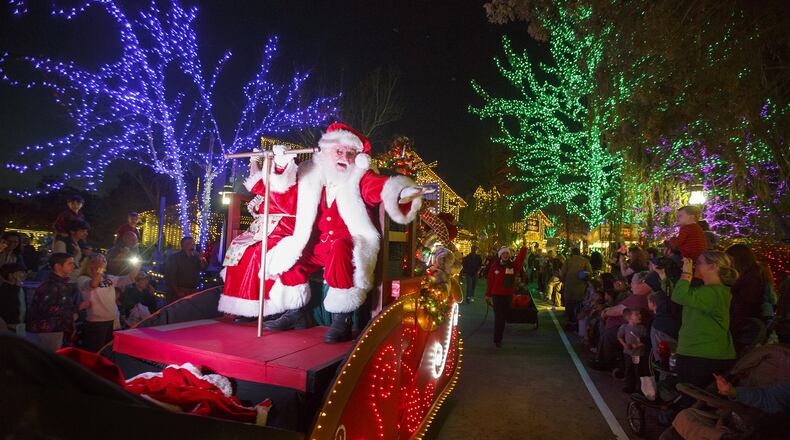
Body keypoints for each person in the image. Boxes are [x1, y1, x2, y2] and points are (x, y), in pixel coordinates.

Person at [260, 123, 426, 343]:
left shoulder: (360, 177)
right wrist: (281, 165)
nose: (345, 158)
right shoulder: (309, 174)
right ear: (327, 151)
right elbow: (284, 194)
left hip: (345, 243)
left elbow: (379, 188)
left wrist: (403, 191)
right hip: (317, 245)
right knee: (290, 254)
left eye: (351, 153)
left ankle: (342, 319)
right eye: (340, 152)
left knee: (340, 249)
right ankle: (296, 313)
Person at [219, 176, 297, 320]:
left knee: (258, 253)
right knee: (239, 248)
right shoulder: (268, 183)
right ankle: (246, 306)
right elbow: (256, 196)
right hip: (262, 228)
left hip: (283, 227)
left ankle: (266, 307)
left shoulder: (294, 185)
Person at [671, 252, 737, 389]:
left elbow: (679, 296)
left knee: (693, 400)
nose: (695, 266)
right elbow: (678, 294)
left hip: (702, 354)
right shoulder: (707, 290)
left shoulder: (714, 292)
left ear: (713, 267)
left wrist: (686, 273)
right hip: (701, 353)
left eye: (699, 263)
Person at [591, 271, 653, 371]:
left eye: (633, 282)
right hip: (625, 325)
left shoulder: (640, 297)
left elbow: (619, 310)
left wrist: (605, 312)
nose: (631, 284)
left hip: (630, 329)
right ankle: (601, 357)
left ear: (642, 283)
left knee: (609, 333)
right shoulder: (639, 295)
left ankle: (606, 362)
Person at [26, 253, 89, 351]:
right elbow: (48, 310)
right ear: (58, 266)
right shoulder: (51, 285)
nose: (74, 266)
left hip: (54, 328)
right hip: (48, 330)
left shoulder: (61, 283)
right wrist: (78, 307)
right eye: (70, 263)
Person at [78, 254, 139, 352]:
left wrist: (137, 266)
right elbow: (93, 284)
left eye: (104, 261)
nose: (103, 263)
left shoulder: (108, 278)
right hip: (96, 323)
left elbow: (128, 279)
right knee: (95, 353)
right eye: (99, 261)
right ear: (90, 264)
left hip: (112, 320)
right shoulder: (83, 279)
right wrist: (101, 269)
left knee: (107, 352)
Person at [725, 243, 770, 351]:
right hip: (746, 322)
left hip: (744, 325)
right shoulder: (754, 274)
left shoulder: (751, 279)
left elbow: (744, 305)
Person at [485, 245, 528, 348]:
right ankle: (497, 339)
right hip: (497, 295)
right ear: (500, 255)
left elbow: (520, 259)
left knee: (503, 317)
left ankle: (499, 337)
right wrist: (487, 295)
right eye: (503, 253)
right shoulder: (495, 266)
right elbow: (490, 281)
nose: (505, 255)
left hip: (507, 295)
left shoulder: (513, 266)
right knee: (498, 317)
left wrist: (524, 248)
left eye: (507, 254)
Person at [165, 236, 206, 302]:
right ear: (184, 245)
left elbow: (203, 268)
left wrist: (201, 258)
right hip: (179, 291)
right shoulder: (175, 258)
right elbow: (171, 276)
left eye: (193, 243)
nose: (193, 245)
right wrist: (177, 291)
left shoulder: (195, 258)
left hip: (192, 290)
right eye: (191, 243)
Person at [617, 308, 648, 394]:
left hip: (639, 354)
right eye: (637, 314)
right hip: (628, 353)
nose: (640, 316)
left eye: (639, 314)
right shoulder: (625, 327)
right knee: (629, 369)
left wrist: (636, 345)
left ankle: (639, 388)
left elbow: (645, 341)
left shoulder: (642, 328)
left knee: (638, 371)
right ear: (629, 317)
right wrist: (625, 345)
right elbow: (619, 336)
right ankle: (629, 386)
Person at [561, 247, 592, 323]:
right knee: (578, 301)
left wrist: (564, 281)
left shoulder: (568, 260)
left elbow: (562, 273)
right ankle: (577, 318)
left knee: (569, 301)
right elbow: (590, 272)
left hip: (569, 283)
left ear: (572, 252)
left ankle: (569, 317)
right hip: (580, 284)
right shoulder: (585, 261)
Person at [0, 262, 27, 333]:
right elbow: (11, 306)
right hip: (10, 326)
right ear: (10, 275)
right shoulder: (5, 289)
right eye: (20, 272)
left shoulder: (18, 288)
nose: (23, 274)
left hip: (18, 325)